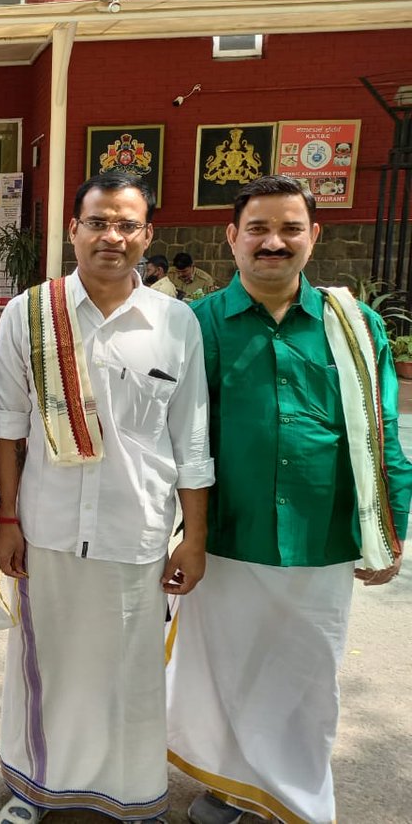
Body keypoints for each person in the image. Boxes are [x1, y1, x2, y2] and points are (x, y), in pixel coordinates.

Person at [167, 174, 412, 824]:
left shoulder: (353, 326)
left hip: (321, 536)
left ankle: (298, 802)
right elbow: (168, 436)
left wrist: (389, 530)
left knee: (305, 682)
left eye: (289, 229)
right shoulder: (197, 324)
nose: (273, 243)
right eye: (258, 229)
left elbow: (383, 431)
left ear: (314, 236)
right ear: (232, 237)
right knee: (228, 675)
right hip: (226, 534)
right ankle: (232, 786)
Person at [0, 172, 214, 824]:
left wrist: (192, 538)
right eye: (97, 223)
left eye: (126, 225)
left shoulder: (176, 324)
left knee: (130, 674)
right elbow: (8, 431)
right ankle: (34, 791)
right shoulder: (28, 315)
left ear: (147, 234)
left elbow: (191, 441)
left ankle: (134, 799)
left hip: (136, 530)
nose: (110, 237)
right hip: (48, 527)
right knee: (45, 667)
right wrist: (6, 519)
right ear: (74, 230)